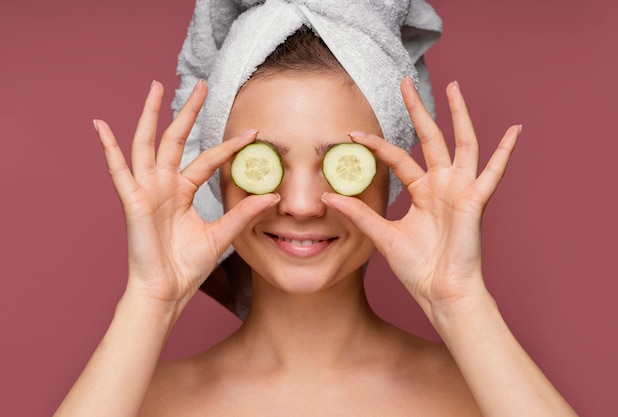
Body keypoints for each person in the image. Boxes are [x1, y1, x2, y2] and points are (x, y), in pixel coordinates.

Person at [54, 1, 578, 416]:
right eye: (264, 164)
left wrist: (460, 300)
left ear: (392, 175)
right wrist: (151, 298)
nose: (302, 205)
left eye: (339, 165)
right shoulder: (140, 404)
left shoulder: (484, 399)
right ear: (215, 173)